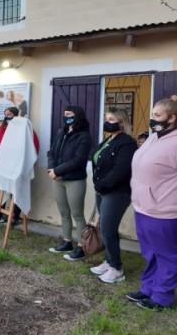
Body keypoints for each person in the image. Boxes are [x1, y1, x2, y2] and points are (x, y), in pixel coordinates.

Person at [127, 96, 177, 310]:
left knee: (167, 255)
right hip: (142, 206)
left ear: (172, 118)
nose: (152, 119)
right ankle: (148, 288)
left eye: (158, 115)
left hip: (164, 209)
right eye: (152, 114)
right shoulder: (154, 137)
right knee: (150, 252)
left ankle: (163, 297)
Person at [77, 109, 137, 282]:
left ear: (122, 121)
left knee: (108, 229)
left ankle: (117, 269)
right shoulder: (109, 140)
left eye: (112, 119)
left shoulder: (126, 143)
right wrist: (100, 186)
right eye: (106, 118)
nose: (108, 121)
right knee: (106, 228)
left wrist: (102, 185)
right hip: (103, 190)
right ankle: (109, 261)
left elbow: (121, 169)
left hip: (116, 192)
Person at [47, 105, 92, 254]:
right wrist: (51, 169)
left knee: (77, 214)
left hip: (75, 180)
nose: (66, 117)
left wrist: (58, 170)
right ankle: (67, 241)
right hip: (58, 179)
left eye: (70, 114)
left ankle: (82, 246)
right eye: (65, 114)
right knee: (64, 213)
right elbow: (52, 152)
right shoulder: (62, 132)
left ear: (77, 116)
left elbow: (78, 160)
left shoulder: (84, 136)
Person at [0, 107, 39, 225]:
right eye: (5, 115)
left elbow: (33, 147)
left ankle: (15, 215)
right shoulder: (0, 130)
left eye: (10, 115)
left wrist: (27, 165)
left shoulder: (25, 130)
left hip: (17, 168)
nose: (7, 117)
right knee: (1, 188)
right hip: (2, 167)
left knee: (16, 191)